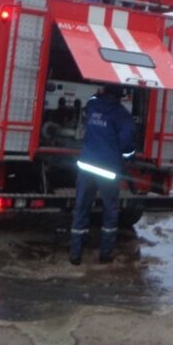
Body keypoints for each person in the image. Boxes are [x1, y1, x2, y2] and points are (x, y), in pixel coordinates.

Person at [70, 83, 136, 265]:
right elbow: (127, 145)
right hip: (107, 171)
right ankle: (105, 255)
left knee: (81, 209)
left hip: (86, 167)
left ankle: (75, 255)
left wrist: (98, 93)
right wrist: (129, 157)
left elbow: (90, 100)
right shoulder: (122, 115)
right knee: (110, 212)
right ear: (121, 95)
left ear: (103, 91)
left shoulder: (92, 105)